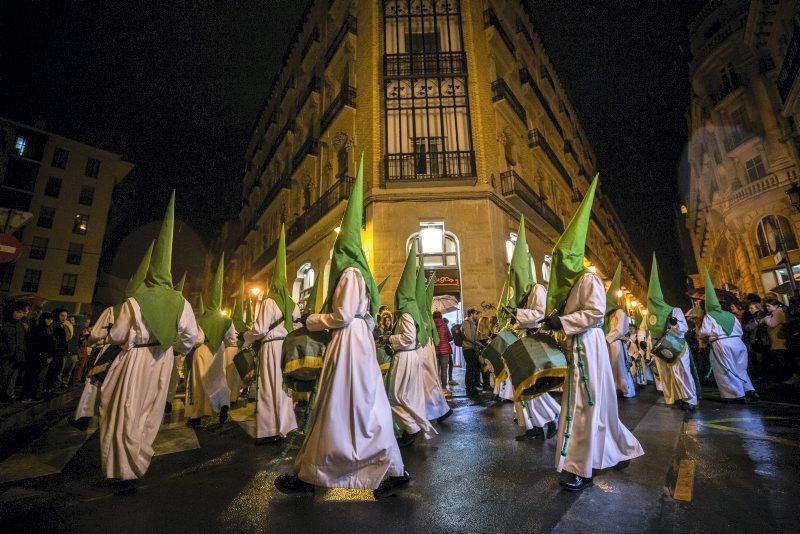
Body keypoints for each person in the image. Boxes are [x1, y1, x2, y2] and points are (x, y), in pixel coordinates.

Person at [275, 157, 407, 498]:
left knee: (337, 403)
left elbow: (343, 315)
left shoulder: (349, 274)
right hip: (355, 342)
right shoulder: (359, 275)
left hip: (348, 342)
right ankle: (386, 468)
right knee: (363, 404)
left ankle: (315, 473)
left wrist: (312, 320)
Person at [544, 175, 643, 491]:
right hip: (581, 345)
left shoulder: (587, 281)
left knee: (585, 405)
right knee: (592, 404)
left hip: (589, 345)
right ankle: (617, 448)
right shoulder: (573, 286)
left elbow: (595, 314)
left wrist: (564, 322)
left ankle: (580, 468)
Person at [99, 190, 199, 486]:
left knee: (124, 411)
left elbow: (117, 335)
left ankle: (123, 468)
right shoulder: (181, 301)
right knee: (150, 411)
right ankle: (140, 459)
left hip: (134, 359)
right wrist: (175, 349)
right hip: (162, 359)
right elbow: (190, 336)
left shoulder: (135, 299)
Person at [243, 226, 299, 444]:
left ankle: (269, 430)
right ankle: (286, 425)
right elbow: (296, 323)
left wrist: (247, 339)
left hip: (271, 348)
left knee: (268, 386)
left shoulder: (268, 301)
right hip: (285, 347)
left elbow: (259, 329)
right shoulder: (292, 303)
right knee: (284, 386)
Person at [187, 255, 236, 427]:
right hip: (219, 350)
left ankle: (197, 415)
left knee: (200, 382)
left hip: (203, 351)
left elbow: (197, 338)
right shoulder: (226, 319)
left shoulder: (203, 318)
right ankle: (223, 404)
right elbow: (232, 339)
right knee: (219, 379)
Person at [646, 253, 697, 411]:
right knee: (666, 375)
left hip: (676, 346)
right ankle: (672, 398)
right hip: (660, 349)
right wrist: (643, 339)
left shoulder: (674, 310)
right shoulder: (648, 315)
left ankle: (689, 399)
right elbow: (644, 329)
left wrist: (675, 324)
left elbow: (684, 328)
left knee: (681, 372)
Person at [697, 269, 757, 402]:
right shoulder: (731, 315)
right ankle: (750, 390)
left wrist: (701, 334)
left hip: (722, 344)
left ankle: (736, 395)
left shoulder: (710, 316)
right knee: (740, 368)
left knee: (726, 369)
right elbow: (740, 330)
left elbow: (704, 332)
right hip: (738, 343)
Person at [416, 263, 451, 422]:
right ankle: (440, 408)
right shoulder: (437, 322)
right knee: (432, 381)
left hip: (427, 351)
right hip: (436, 350)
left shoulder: (424, 319)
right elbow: (443, 337)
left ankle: (436, 411)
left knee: (428, 381)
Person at [604, 262, 636, 399]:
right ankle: (617, 388)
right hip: (609, 343)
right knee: (612, 368)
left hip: (616, 342)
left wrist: (606, 339)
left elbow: (619, 330)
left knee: (620, 367)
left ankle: (627, 390)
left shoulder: (620, 313)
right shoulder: (609, 314)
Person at [22, 312, 56, 402]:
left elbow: (52, 344)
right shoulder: (37, 329)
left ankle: (36, 395)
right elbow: (32, 343)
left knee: (41, 377)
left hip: (46, 356)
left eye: (51, 319)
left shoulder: (50, 329)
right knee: (33, 376)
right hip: (36, 356)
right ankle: (28, 395)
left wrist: (51, 355)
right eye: (47, 319)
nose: (49, 321)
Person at [1, 300, 28, 402]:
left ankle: (7, 395)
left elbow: (22, 341)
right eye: (18, 312)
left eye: (21, 312)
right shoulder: (4, 324)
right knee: (3, 377)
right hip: (6, 356)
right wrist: (7, 350)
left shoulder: (21, 325)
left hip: (17, 356)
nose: (20, 314)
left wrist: (21, 352)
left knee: (12, 378)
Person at [760, 297, 792, 384]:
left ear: (775, 305)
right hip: (775, 341)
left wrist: (766, 318)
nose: (767, 308)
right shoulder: (774, 313)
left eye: (768, 306)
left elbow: (772, 323)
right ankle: (784, 377)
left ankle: (787, 378)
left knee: (782, 361)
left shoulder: (778, 313)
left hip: (779, 341)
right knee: (779, 361)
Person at [43, 308, 71, 395]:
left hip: (60, 353)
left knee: (56, 371)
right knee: (51, 372)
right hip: (55, 353)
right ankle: (47, 389)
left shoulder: (62, 325)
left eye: (66, 316)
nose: (64, 318)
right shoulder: (54, 326)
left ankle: (51, 389)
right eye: (62, 315)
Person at [461, 308, 482, 396]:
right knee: (470, 368)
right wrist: (477, 343)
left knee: (473, 367)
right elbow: (469, 336)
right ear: (472, 314)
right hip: (468, 348)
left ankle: (472, 386)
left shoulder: (472, 323)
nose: (477, 316)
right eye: (476, 314)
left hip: (472, 348)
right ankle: (469, 388)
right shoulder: (466, 323)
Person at [433, 311, 453, 391]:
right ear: (441, 316)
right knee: (444, 369)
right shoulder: (445, 325)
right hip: (445, 351)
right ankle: (444, 387)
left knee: (435, 370)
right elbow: (449, 336)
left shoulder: (431, 325)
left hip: (434, 351)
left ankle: (436, 387)